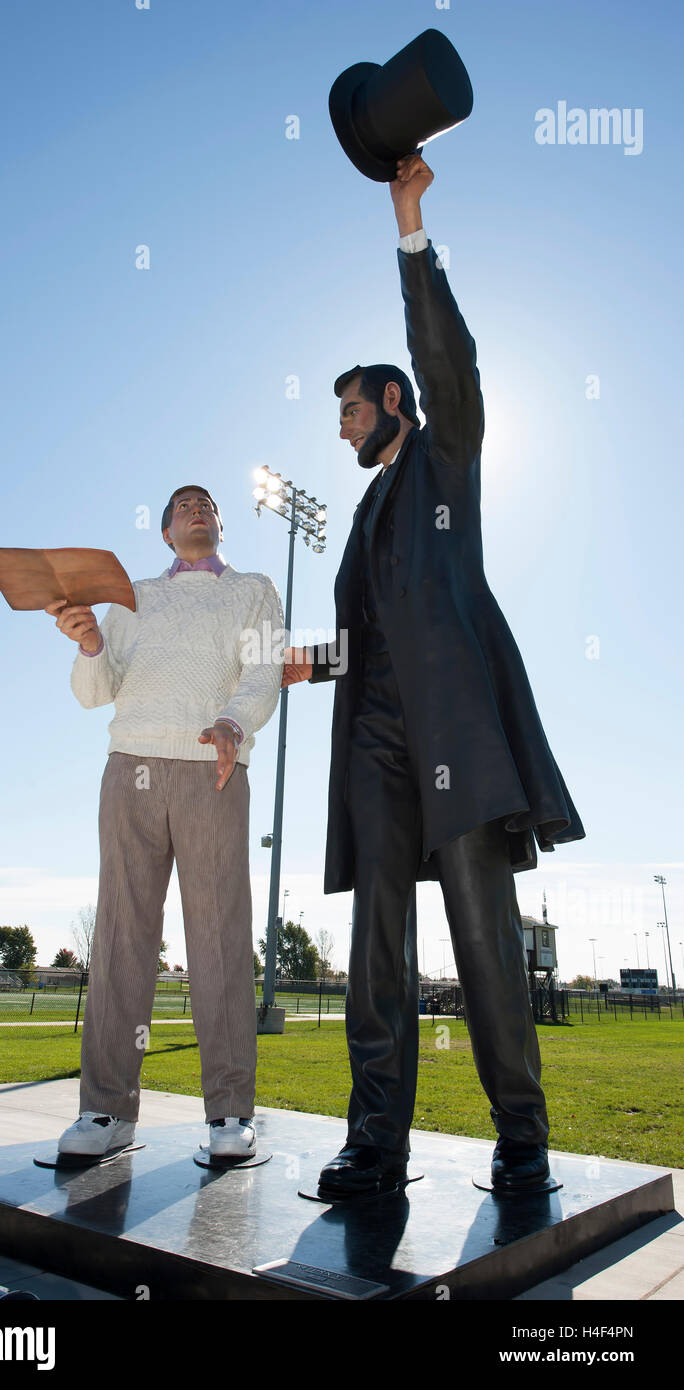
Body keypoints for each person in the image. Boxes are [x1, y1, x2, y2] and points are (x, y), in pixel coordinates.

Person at [285, 154, 585, 1196]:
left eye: (350, 409)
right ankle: (377, 1141)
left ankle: (522, 1134)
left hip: (454, 738)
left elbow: (446, 355)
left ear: (394, 401)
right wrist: (295, 659)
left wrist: (410, 227)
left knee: (481, 933)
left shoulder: (446, 454)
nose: (341, 425)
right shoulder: (365, 514)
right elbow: (367, 634)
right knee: (376, 945)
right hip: (374, 742)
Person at [48, 486, 283, 1161]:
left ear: (220, 523)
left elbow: (264, 668)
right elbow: (95, 692)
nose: (196, 509)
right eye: (182, 505)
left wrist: (233, 724)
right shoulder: (133, 596)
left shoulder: (256, 590)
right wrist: (91, 642)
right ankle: (105, 1113)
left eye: (206, 503)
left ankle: (230, 1113)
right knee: (121, 935)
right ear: (164, 532)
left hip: (212, 765)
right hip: (131, 771)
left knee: (218, 939)